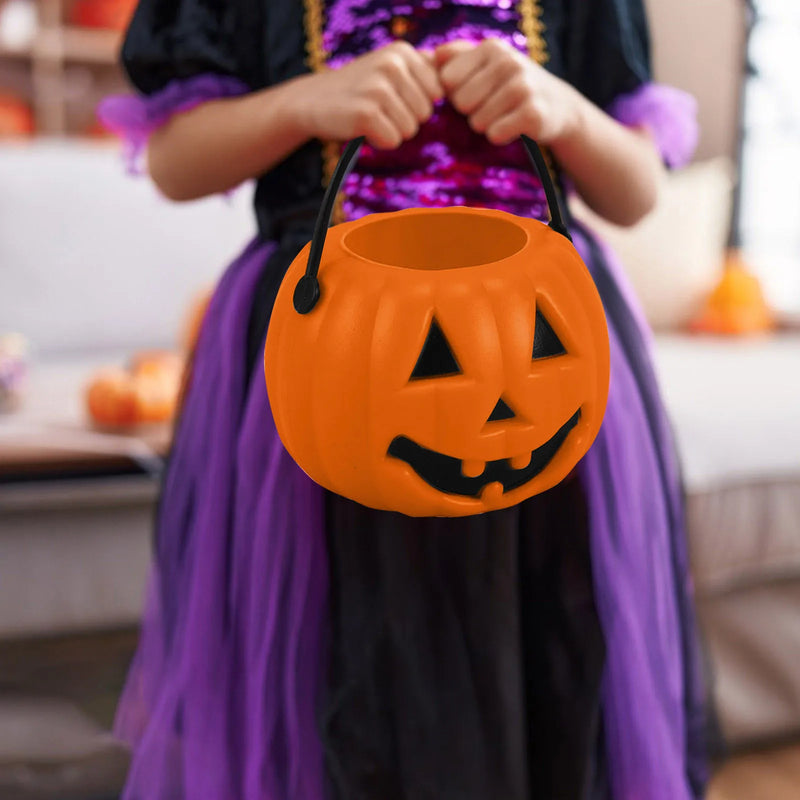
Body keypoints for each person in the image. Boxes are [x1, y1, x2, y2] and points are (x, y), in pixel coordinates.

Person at [99, 0, 709, 797]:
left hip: (535, 353)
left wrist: (564, 113)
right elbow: (176, 164)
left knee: (551, 652)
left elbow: (636, 193)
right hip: (332, 357)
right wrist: (302, 104)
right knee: (348, 657)